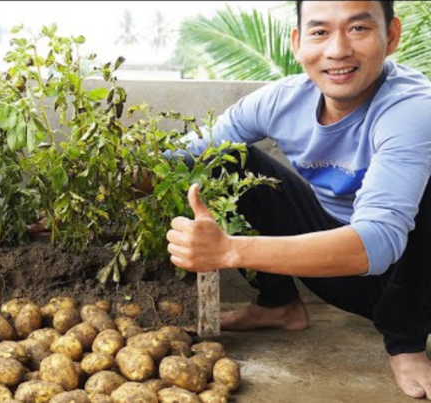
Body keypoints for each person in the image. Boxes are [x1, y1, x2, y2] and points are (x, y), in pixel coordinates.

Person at [161, 0, 431, 399]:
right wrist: (98, 190)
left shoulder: (413, 108)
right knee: (226, 159)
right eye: (320, 32)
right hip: (337, 274)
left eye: (358, 29)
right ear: (297, 42)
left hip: (409, 277)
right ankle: (279, 305)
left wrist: (230, 250)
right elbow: (185, 155)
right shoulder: (281, 100)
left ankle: (406, 341)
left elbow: (378, 241)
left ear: (390, 36)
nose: (337, 50)